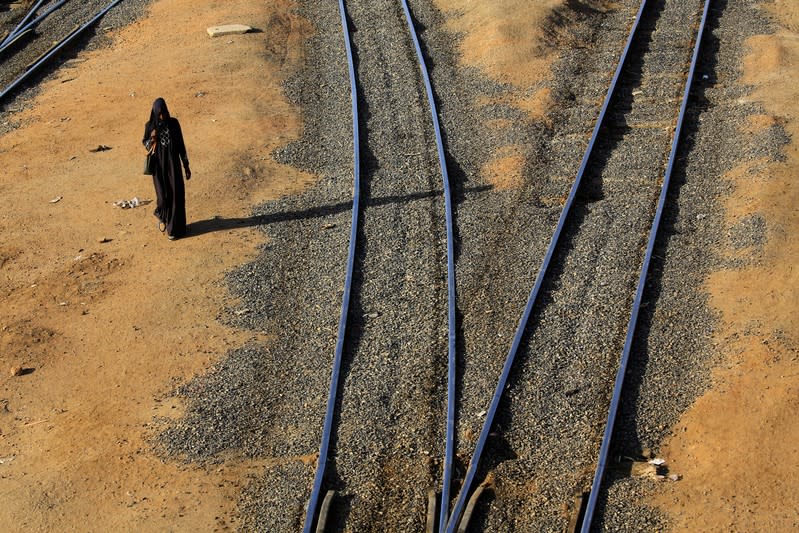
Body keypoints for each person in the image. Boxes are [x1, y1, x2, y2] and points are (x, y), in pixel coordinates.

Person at [142, 97, 191, 240]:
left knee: (176, 196)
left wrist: (186, 165)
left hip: (173, 166)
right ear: (155, 113)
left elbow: (181, 145)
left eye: (164, 112)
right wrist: (152, 139)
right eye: (159, 113)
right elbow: (144, 144)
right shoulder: (150, 126)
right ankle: (162, 215)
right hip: (158, 168)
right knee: (162, 198)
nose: (162, 116)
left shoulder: (174, 124)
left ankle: (174, 229)